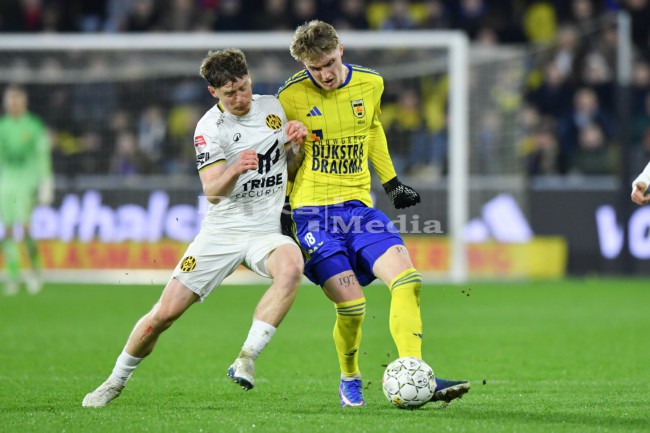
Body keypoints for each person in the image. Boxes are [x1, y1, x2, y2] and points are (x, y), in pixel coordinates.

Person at [82, 48, 308, 407]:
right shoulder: (209, 128)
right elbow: (213, 192)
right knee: (165, 314)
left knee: (292, 267)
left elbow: (291, 169)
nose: (240, 98)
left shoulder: (273, 108)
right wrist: (235, 168)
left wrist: (296, 147)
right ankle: (114, 381)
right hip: (222, 233)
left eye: (244, 88)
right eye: (230, 93)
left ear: (250, 79)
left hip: (265, 230)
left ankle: (247, 357)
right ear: (213, 92)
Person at [276, 20, 470, 407]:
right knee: (352, 307)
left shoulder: (372, 83)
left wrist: (392, 182)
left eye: (329, 63)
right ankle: (349, 377)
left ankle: (416, 371)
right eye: (314, 68)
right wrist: (283, 201)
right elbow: (283, 161)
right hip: (312, 214)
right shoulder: (289, 96)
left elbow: (373, 129)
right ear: (303, 65)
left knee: (408, 281)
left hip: (359, 208)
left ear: (340, 50)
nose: (324, 74)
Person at [0, 85, 54, 295]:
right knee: (7, 230)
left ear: (24, 102)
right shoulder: (3, 127)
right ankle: (13, 275)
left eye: (17, 99)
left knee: (25, 228)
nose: (13, 104)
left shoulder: (34, 126)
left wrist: (46, 181)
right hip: (6, 183)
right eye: (10, 100)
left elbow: (42, 156)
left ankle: (35, 271)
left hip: (27, 182)